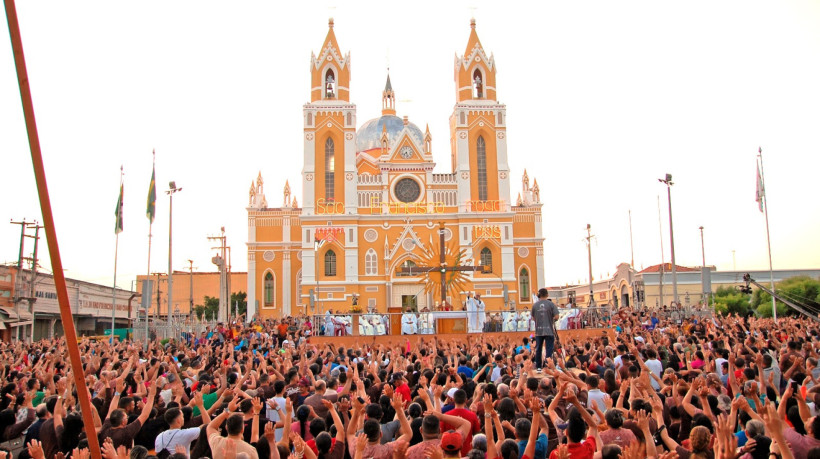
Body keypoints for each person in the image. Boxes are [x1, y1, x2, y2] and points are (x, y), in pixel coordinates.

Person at [532, 288, 560, 369]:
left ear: (539, 295)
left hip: (539, 331)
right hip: (549, 330)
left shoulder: (535, 305)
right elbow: (557, 317)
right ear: (547, 295)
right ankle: (548, 366)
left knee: (538, 350)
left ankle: (538, 367)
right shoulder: (551, 304)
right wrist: (551, 319)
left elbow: (533, 318)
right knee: (549, 350)